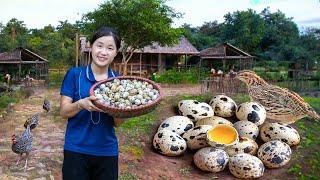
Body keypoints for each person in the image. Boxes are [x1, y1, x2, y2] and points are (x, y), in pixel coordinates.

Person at [60, 26, 127, 180]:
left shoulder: (119, 81)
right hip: (76, 150)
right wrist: (80, 104)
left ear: (116, 52)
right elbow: (63, 112)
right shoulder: (74, 74)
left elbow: (118, 123)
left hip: (107, 152)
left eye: (110, 48)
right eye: (99, 45)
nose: (103, 52)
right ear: (91, 46)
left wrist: (116, 110)